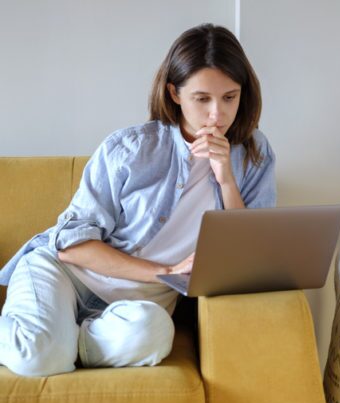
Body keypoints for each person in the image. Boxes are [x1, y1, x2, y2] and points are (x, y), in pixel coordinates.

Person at [0, 23, 276, 377]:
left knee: (154, 334)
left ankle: (62, 343)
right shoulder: (131, 149)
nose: (216, 115)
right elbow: (69, 246)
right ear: (175, 93)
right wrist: (164, 272)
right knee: (39, 358)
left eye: (229, 97)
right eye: (202, 99)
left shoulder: (254, 153)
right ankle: (52, 344)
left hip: (136, 307)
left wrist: (225, 178)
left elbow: (246, 256)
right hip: (66, 276)